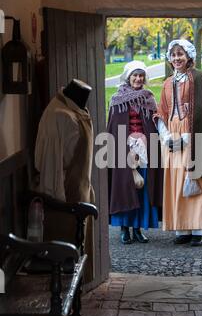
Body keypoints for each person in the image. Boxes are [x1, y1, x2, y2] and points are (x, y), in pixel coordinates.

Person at [155, 40, 202, 246]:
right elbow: (162, 110)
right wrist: (166, 134)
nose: (177, 58)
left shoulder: (199, 78)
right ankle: (183, 228)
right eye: (174, 54)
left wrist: (189, 137)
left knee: (196, 177)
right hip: (172, 135)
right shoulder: (168, 82)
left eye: (181, 54)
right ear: (169, 58)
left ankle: (198, 228)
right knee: (177, 181)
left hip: (194, 135)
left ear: (189, 56)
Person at [35, 79, 95, 281]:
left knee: (78, 253)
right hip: (64, 198)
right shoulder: (59, 117)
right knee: (65, 259)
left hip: (80, 188)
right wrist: (58, 205)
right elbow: (50, 166)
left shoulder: (75, 111)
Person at [107, 61, 163, 244]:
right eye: (135, 76)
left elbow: (154, 123)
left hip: (145, 147)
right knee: (126, 185)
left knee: (142, 186)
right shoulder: (117, 99)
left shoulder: (149, 98)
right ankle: (124, 228)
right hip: (125, 146)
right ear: (128, 77)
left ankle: (138, 228)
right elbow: (113, 127)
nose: (138, 79)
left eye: (141, 76)